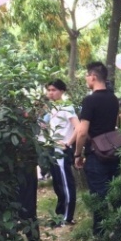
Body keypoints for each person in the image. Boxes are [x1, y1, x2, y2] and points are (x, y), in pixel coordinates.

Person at [74, 62, 120, 241]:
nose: (86, 79)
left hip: (96, 154)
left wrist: (78, 154)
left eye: (87, 75)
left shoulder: (90, 100)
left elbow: (82, 131)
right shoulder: (113, 98)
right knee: (116, 192)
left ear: (93, 77)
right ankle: (120, 229)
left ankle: (99, 236)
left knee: (98, 195)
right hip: (113, 151)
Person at [46, 79, 79, 225]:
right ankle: (60, 215)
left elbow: (78, 127)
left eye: (54, 90)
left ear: (62, 91)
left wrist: (68, 143)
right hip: (53, 149)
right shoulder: (52, 108)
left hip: (62, 150)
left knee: (65, 183)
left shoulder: (67, 107)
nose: (51, 93)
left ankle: (67, 216)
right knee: (58, 183)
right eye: (49, 90)